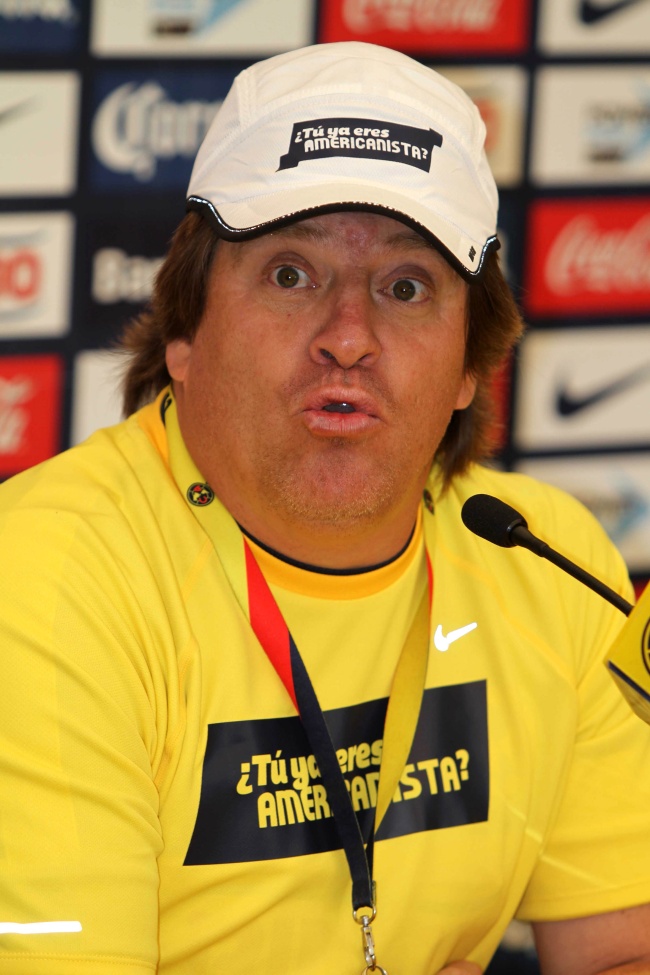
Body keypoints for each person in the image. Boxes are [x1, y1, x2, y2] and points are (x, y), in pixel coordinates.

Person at [1, 41, 649, 975]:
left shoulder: (551, 560)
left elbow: (621, 951)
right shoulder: (45, 579)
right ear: (185, 331)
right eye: (291, 273)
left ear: (470, 367)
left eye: (406, 286)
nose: (348, 337)